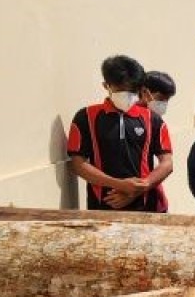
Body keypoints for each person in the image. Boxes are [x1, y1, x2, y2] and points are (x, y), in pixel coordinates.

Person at [68, 55, 174, 212]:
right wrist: (118, 184)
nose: (127, 94)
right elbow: (78, 164)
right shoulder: (86, 117)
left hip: (145, 207)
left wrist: (142, 187)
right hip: (102, 206)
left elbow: (167, 163)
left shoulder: (153, 119)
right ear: (106, 86)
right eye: (121, 89)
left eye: (132, 90)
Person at [137, 70, 177, 212]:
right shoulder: (120, 119)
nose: (164, 104)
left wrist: (138, 189)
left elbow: (167, 164)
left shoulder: (156, 122)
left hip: (148, 196)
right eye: (160, 98)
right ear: (144, 92)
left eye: (167, 100)